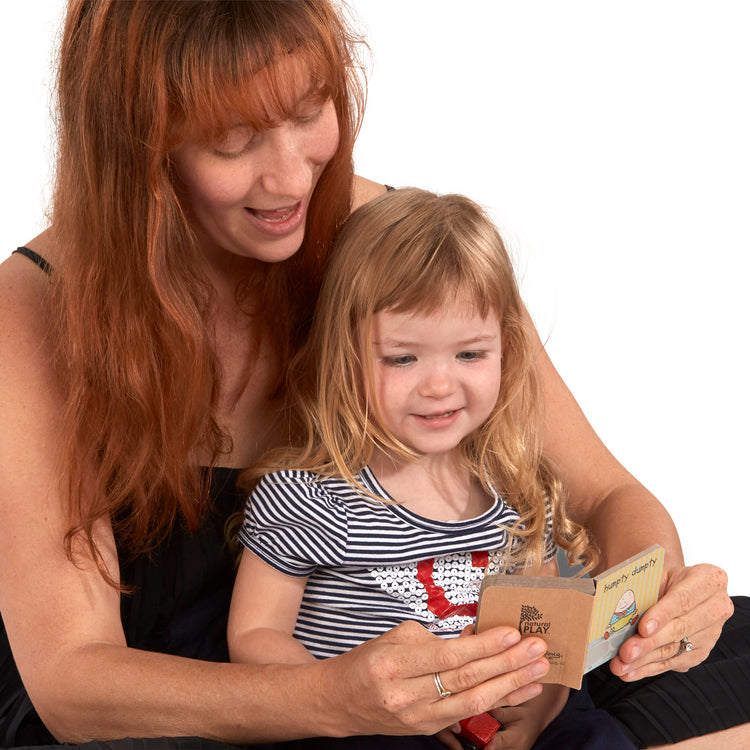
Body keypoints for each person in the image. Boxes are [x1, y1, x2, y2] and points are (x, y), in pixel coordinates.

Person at [0, 1, 746, 749]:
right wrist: (335, 700)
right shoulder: (31, 310)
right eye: (233, 141)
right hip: (178, 701)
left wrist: (656, 603)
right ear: (139, 147)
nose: (292, 176)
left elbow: (606, 493)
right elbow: (73, 681)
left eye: (308, 110)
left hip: (426, 666)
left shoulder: (387, 247)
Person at [228, 186, 637, 750]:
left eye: (469, 354)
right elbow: (253, 636)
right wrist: (344, 699)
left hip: (496, 722)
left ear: (506, 350)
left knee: (600, 736)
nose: (440, 385)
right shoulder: (309, 496)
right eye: (402, 358)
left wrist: (535, 712)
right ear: (344, 355)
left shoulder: (518, 490)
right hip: (370, 726)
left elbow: (546, 636)